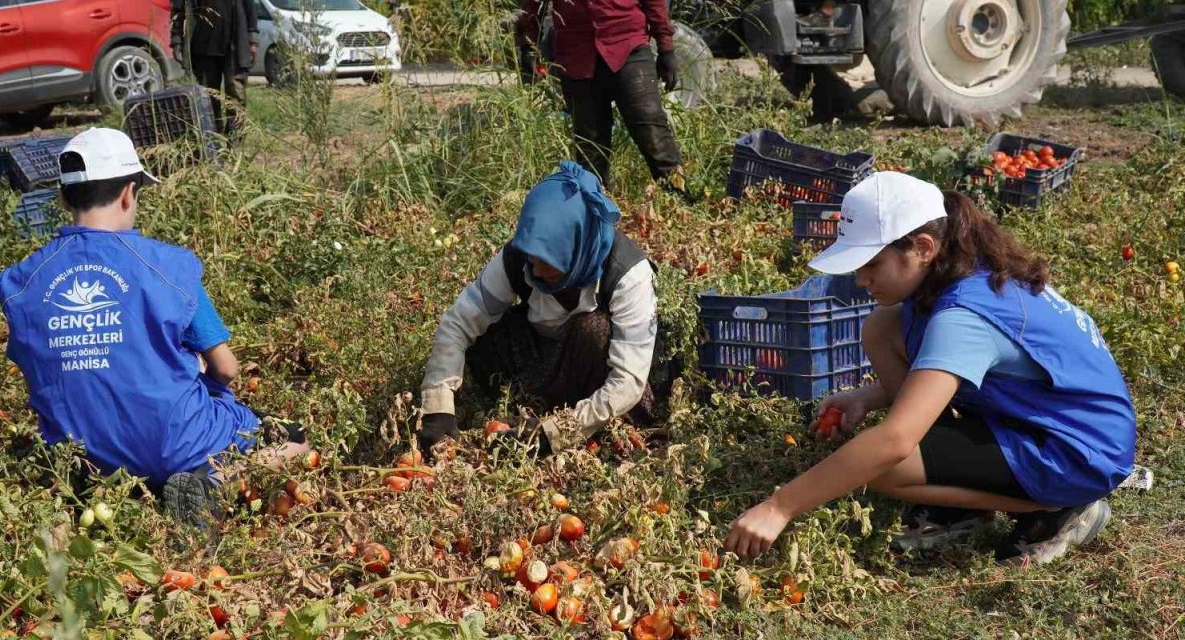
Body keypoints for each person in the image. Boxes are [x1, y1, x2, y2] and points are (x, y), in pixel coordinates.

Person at [724, 172, 1136, 567]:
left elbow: (896, 439)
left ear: (922, 247)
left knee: (886, 465)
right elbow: (964, 366)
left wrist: (779, 506)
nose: (862, 279)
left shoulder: (963, 317)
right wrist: (866, 396)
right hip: (1050, 421)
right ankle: (961, 496)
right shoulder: (963, 273)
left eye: (872, 263)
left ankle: (1059, 507)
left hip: (1078, 451)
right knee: (883, 325)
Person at [0, 128, 308, 528]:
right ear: (129, 192)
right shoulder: (168, 266)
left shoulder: (19, 281)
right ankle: (212, 481)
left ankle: (93, 493)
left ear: (63, 197)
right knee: (294, 437)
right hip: (176, 445)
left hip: (80, 458)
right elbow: (227, 368)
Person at [418, 161, 669, 458]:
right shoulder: (518, 258)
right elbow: (459, 322)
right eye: (531, 255)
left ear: (573, 246)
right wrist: (438, 404)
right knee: (484, 334)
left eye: (547, 258)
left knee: (592, 329)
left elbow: (627, 382)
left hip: (597, 369)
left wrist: (556, 433)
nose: (534, 267)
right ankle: (531, 404)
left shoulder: (628, 273)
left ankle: (593, 425)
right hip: (543, 352)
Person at [516, 0, 686, 191]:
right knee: (590, 144)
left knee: (649, 125)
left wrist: (665, 47)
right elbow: (533, 4)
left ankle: (678, 197)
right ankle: (597, 208)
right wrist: (528, 46)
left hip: (628, 44)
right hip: (576, 54)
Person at [171, 0, 258, 137]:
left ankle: (235, 146)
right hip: (203, 47)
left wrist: (252, 39)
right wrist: (177, 40)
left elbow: (250, 5)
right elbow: (178, 10)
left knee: (236, 98)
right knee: (207, 99)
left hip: (234, 46)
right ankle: (213, 144)